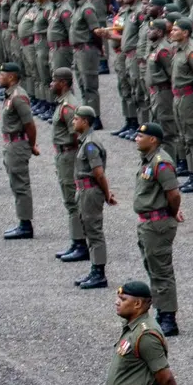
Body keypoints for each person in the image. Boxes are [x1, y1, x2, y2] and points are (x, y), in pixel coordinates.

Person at [132, 122, 184, 336]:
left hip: (158, 223)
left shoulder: (161, 163)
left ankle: (169, 318)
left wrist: (171, 213)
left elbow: (174, 194)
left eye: (141, 136)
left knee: (161, 270)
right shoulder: (149, 161)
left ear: (153, 140)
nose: (136, 138)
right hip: (149, 222)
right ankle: (162, 311)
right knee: (153, 267)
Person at [72, 105, 114, 290]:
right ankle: (94, 268)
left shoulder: (90, 144)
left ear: (85, 121)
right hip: (84, 191)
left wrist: (106, 194)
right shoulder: (85, 141)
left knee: (94, 232)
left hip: (90, 192)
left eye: (76, 119)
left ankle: (99, 273)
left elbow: (98, 173)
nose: (73, 122)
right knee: (88, 230)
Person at [0, 61, 38, 239]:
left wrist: (31, 144)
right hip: (11, 144)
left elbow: (30, 124)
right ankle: (22, 221)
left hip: (18, 144)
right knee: (16, 183)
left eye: (2, 75)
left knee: (21, 185)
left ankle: (25, 225)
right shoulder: (10, 94)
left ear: (12, 77)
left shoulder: (18, 97)